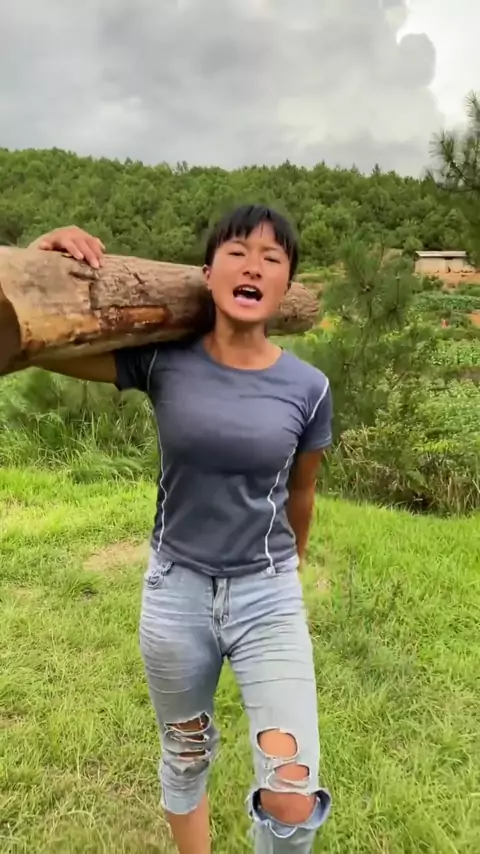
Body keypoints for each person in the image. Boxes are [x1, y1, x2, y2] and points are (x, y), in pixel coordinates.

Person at [30, 205, 333, 854]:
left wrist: (292, 568)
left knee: (292, 788)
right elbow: (36, 344)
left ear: (287, 287)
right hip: (177, 595)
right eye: (237, 251)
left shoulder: (309, 387)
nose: (253, 265)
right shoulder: (165, 362)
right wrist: (40, 263)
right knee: (186, 753)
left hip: (267, 597)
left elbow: (301, 489)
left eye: (272, 257)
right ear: (207, 273)